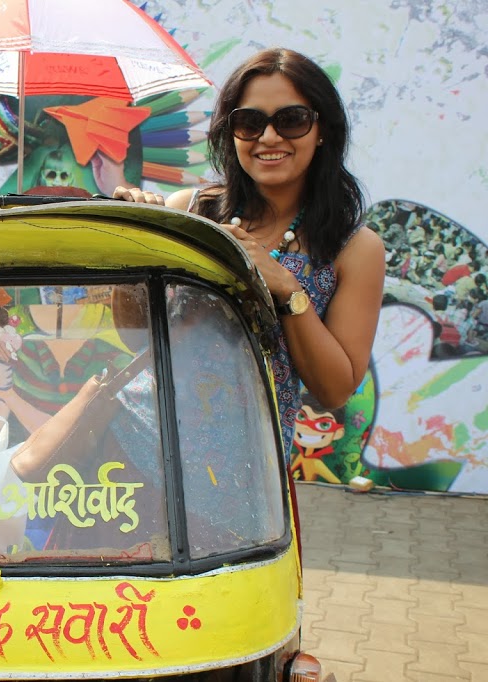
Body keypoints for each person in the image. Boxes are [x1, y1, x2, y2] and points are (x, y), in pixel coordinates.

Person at [124, 48, 385, 452]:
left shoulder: (352, 247)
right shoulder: (192, 212)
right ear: (231, 133)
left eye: (291, 120)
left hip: (248, 472)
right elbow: (133, 334)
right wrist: (133, 249)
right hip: (138, 439)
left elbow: (334, 390)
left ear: (323, 131)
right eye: (249, 122)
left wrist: (286, 289)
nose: (268, 137)